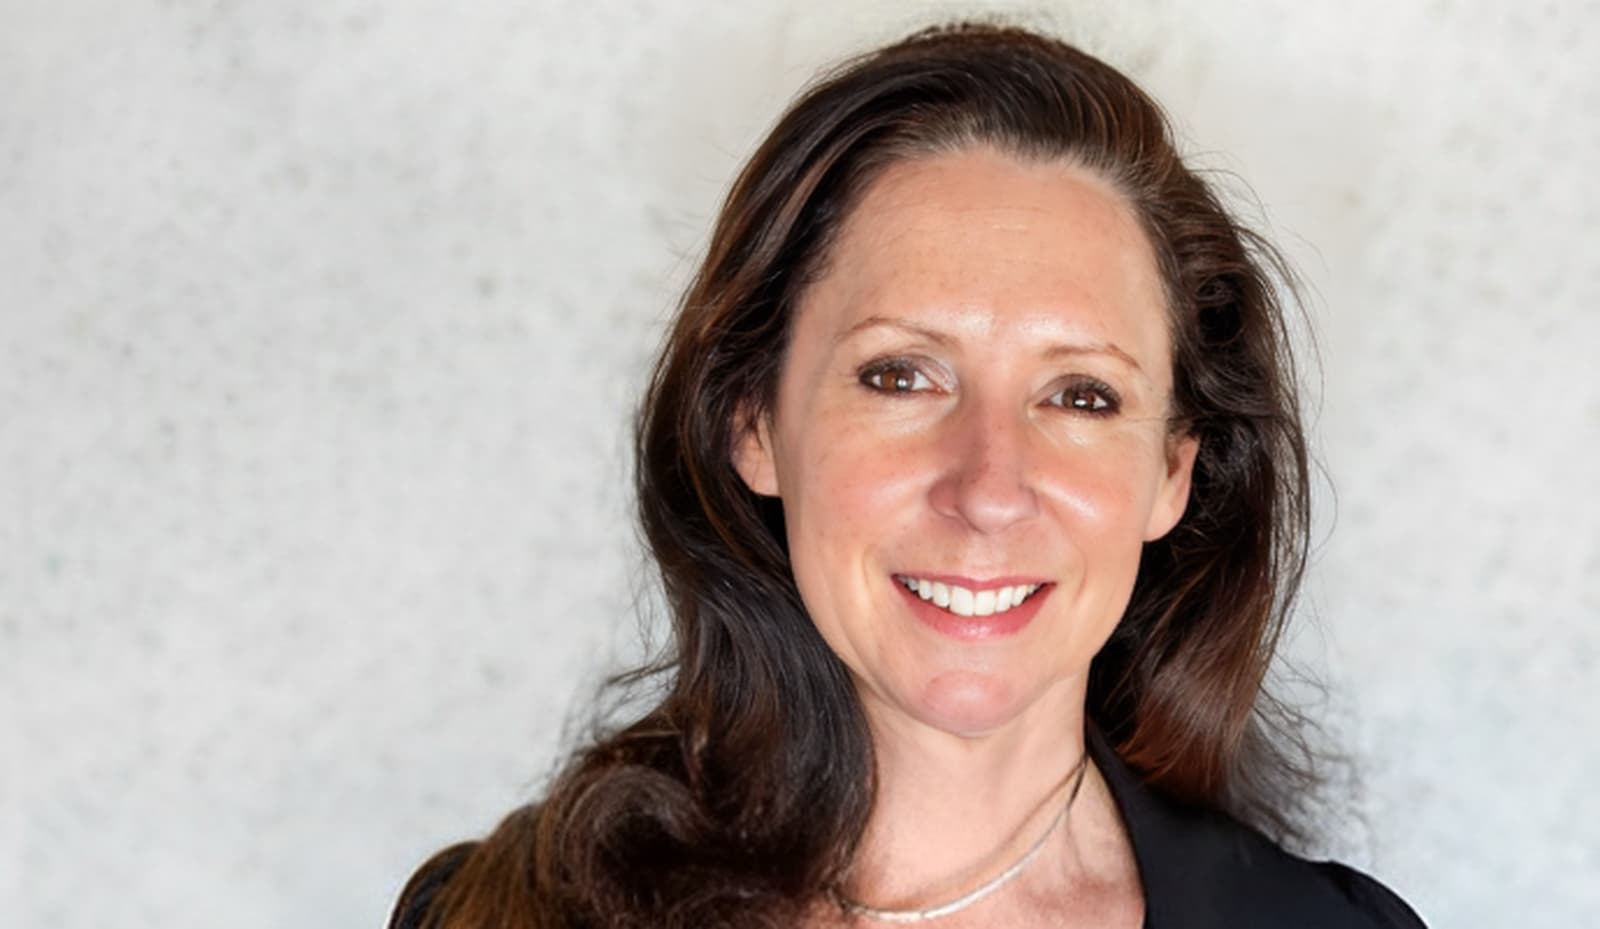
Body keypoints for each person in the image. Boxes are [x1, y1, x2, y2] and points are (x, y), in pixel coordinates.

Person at [390, 21, 1426, 929]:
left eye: (1080, 395)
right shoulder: (503, 911)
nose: (987, 487)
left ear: (1171, 473)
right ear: (752, 421)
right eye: (899, 375)